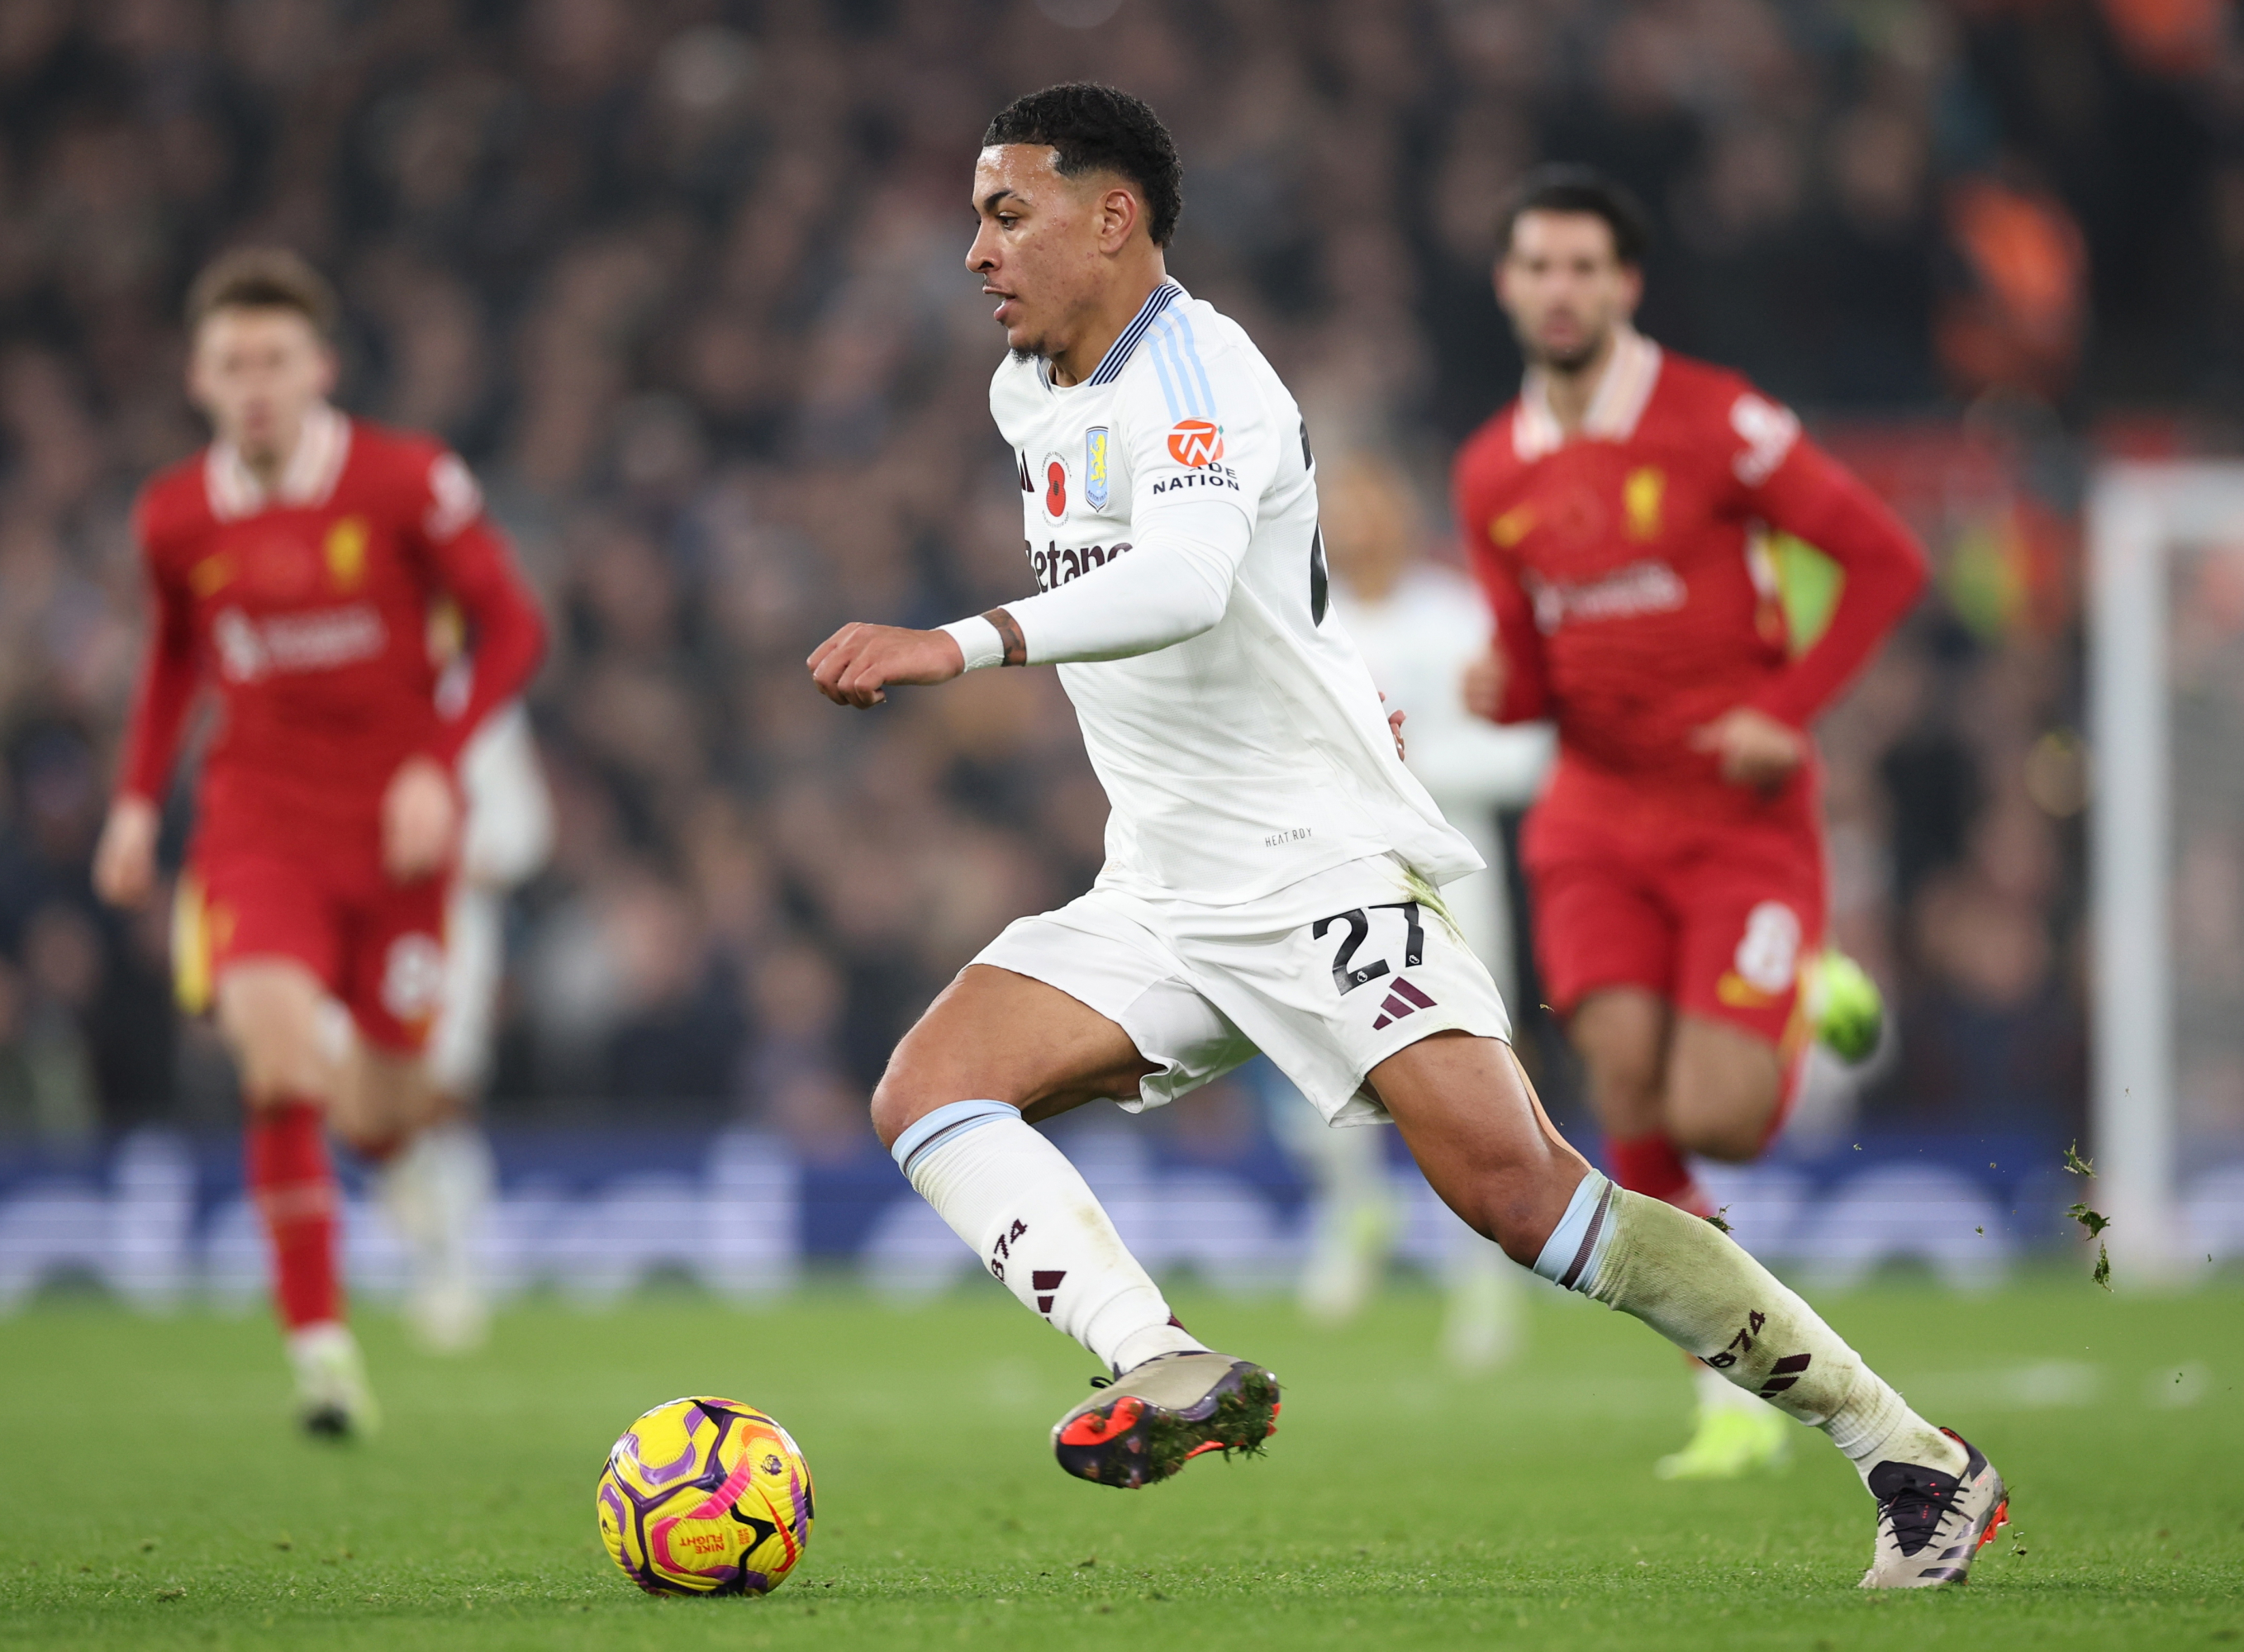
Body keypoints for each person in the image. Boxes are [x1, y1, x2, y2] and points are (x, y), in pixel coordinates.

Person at [807, 84, 2005, 1589]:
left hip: (1311, 872)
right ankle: (1158, 1360)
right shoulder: (1028, 394)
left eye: (1006, 213)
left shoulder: (1205, 374)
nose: (974, 252)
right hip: (1164, 884)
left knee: (1528, 1198)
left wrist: (958, 642)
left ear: (1112, 218)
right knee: (928, 1088)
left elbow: (1181, 582)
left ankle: (1909, 1455)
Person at [1455, 167, 1927, 1480]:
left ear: (1623, 286)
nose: (1557, 289)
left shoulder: (1718, 423)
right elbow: (1530, 662)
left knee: (1715, 1117)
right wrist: (1504, 689)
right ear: (1507, 285)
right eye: (1535, 266)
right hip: (1592, 818)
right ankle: (1726, 1386)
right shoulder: (1491, 468)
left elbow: (1885, 558)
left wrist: (1788, 707)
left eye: (1580, 267)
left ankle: (1810, 981)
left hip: (1737, 817)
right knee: (1622, 1093)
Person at [94, 249, 546, 1436]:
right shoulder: (174, 515)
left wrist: (434, 766)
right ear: (198, 376)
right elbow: (170, 662)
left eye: (274, 361)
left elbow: (512, 629)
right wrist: (139, 803)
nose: (254, 384)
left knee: (384, 1112)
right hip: (257, 831)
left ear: (320, 370)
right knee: (276, 1067)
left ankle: (386, 1145)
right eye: (231, 363)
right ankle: (322, 1354)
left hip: (398, 847)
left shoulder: (405, 484)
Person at [1261, 452, 1551, 1367]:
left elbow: (1526, 755)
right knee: (1305, 1044)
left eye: (1369, 498)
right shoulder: (1303, 615)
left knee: (1471, 1080)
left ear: (1402, 508)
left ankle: (1485, 1286)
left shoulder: (1456, 615)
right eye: (1337, 503)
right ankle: (1353, 1213)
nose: (1352, 519)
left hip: (1448, 872)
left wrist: (1397, 774)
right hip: (1327, 868)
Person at [378, 700, 554, 1355]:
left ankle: (450, 1272)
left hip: (449, 934)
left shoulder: (482, 703)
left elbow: (526, 831)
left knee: (441, 1101)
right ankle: (424, 1256)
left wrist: (441, 850)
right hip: (355, 923)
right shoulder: (346, 674)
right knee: (372, 1108)